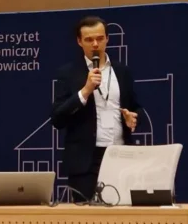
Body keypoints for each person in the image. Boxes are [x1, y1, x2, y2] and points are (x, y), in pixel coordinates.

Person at [51, 16, 142, 203]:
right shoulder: (68, 74)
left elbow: (136, 107)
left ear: (107, 38)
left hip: (120, 155)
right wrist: (85, 91)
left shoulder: (122, 71)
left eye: (100, 38)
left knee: (123, 212)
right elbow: (57, 118)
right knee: (86, 214)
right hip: (86, 161)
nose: (95, 44)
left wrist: (133, 117)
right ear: (79, 41)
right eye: (89, 39)